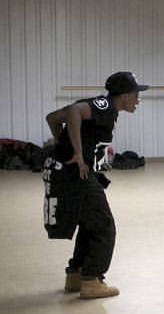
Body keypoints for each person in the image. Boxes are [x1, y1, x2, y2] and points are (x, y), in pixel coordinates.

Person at [43, 71, 146, 300]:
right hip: (75, 173)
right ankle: (92, 281)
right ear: (124, 95)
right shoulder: (105, 106)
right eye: (136, 94)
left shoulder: (104, 108)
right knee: (104, 225)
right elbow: (73, 111)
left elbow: (52, 118)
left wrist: (63, 144)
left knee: (90, 224)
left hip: (67, 171)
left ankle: (76, 274)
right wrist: (77, 152)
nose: (138, 100)